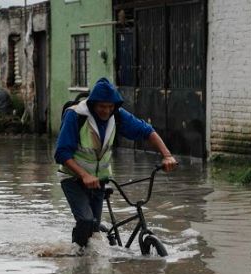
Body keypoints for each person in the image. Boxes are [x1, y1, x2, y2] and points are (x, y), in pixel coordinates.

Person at [54, 77, 178, 255]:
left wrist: (167, 156)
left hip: (99, 180)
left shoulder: (117, 115)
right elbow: (61, 153)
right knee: (86, 221)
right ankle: (75, 258)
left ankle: (89, 268)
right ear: (92, 104)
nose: (106, 111)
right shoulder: (76, 116)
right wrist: (84, 175)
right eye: (102, 107)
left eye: (110, 107)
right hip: (73, 179)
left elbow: (147, 131)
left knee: (94, 230)